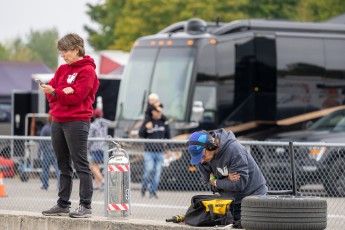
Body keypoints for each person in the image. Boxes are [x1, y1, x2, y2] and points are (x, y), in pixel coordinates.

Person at [39, 33, 99, 218]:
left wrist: (57, 92)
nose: (63, 55)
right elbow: (51, 94)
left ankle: (85, 206)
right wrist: (58, 92)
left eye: (65, 51)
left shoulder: (87, 71)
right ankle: (63, 203)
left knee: (81, 163)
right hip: (58, 120)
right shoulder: (62, 69)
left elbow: (78, 97)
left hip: (77, 121)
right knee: (62, 164)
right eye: (61, 52)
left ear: (76, 49)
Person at [187, 129, 268, 228]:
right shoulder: (202, 161)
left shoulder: (234, 150)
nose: (202, 161)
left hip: (254, 201)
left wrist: (215, 182)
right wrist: (225, 179)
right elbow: (207, 183)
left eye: (203, 156)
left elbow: (239, 185)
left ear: (211, 145)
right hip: (231, 204)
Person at [139, 105, 171, 198]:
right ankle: (144, 187)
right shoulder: (148, 121)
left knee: (157, 173)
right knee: (149, 170)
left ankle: (152, 191)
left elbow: (168, 136)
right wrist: (146, 127)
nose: (160, 113)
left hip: (160, 152)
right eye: (158, 111)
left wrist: (169, 149)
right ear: (153, 112)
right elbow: (140, 134)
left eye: (161, 111)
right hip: (149, 152)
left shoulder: (164, 122)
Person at [88, 109, 115, 190]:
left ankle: (103, 181)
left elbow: (90, 137)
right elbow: (113, 124)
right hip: (103, 147)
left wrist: (87, 146)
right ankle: (96, 184)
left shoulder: (93, 125)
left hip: (95, 148)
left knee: (93, 166)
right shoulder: (104, 124)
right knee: (97, 166)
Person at [39, 115, 60, 190]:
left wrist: (39, 152)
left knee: (45, 169)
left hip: (46, 152)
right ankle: (60, 185)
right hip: (56, 151)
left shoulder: (45, 128)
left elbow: (41, 141)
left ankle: (45, 185)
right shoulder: (58, 128)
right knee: (58, 169)